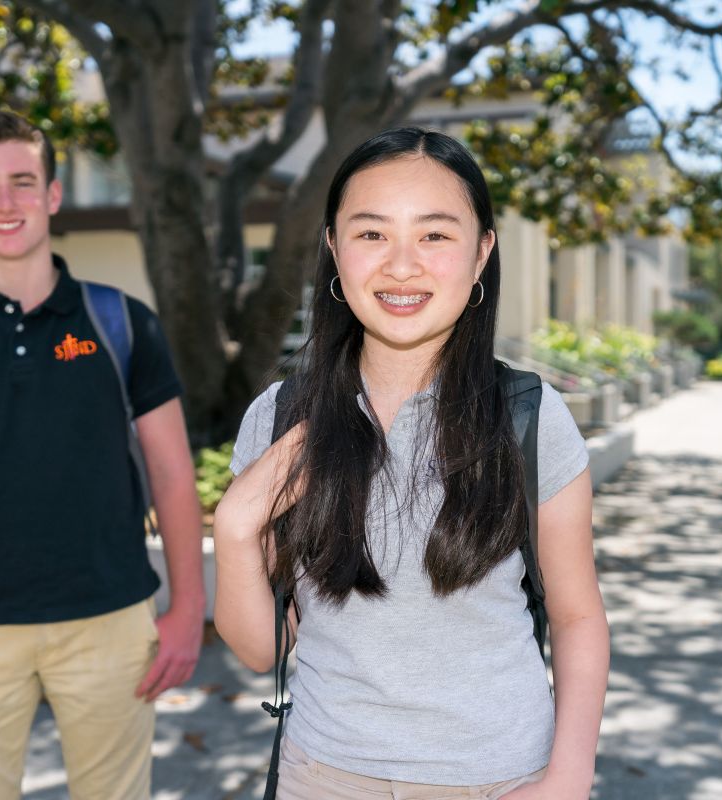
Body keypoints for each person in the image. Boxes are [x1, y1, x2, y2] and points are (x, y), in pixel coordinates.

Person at [214, 128, 610, 799]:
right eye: (371, 234)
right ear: (335, 251)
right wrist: (233, 530)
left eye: (434, 235)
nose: (402, 265)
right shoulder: (279, 418)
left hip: (498, 777)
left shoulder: (528, 415)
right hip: (322, 775)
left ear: (482, 251)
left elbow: (577, 618)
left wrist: (567, 778)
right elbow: (260, 651)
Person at [0, 110, 205, 800]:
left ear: (53, 194)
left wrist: (189, 609)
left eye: (24, 181)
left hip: (110, 621)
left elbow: (173, 474)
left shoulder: (122, 321)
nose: (5, 201)